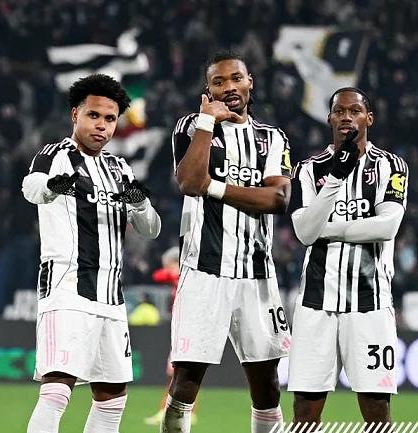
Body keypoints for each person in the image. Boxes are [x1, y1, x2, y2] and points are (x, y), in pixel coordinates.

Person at [22, 73, 161, 433]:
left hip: (111, 298)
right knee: (57, 389)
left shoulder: (119, 168)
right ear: (76, 115)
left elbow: (151, 229)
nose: (101, 125)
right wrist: (54, 186)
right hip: (67, 289)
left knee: (112, 397)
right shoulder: (55, 155)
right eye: (94, 115)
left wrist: (140, 204)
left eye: (110, 119)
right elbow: (31, 188)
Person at [162, 50, 292, 433]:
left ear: (250, 82)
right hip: (204, 271)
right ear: (208, 91)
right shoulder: (191, 126)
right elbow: (189, 182)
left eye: (236, 78)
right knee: (185, 383)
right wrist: (207, 122)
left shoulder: (272, 138)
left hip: (257, 276)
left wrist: (214, 188)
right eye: (218, 82)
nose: (229, 87)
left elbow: (278, 199)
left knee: (267, 386)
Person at [287, 87, 408, 427]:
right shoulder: (307, 169)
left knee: (377, 409)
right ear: (329, 119)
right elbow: (304, 233)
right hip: (315, 303)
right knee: (305, 410)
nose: (346, 117)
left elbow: (388, 226)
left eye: (354, 111)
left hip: (370, 303)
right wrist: (336, 179)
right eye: (339, 111)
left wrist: (327, 228)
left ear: (369, 118)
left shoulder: (390, 165)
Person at [144, 247, 199, 426]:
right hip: (180, 327)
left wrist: (176, 271)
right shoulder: (178, 278)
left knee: (179, 371)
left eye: (168, 265)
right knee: (180, 371)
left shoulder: (188, 276)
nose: (166, 268)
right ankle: (183, 410)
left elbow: (160, 275)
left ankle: (172, 410)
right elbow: (158, 276)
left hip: (187, 329)